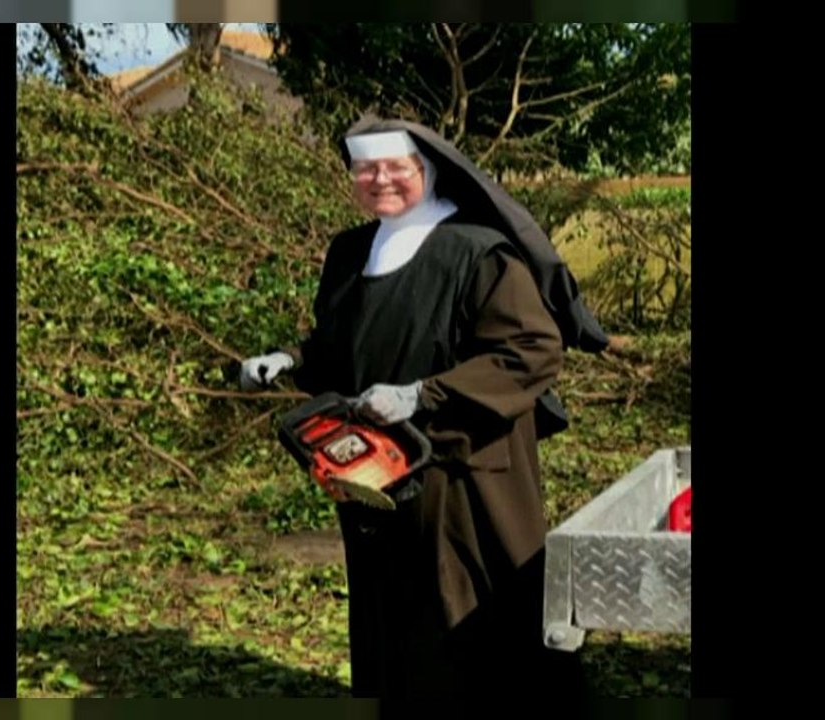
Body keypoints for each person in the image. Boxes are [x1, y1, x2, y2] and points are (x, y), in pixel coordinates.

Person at [239, 117, 609, 700]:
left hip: (465, 476)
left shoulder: (477, 251)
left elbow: (532, 350)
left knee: (472, 621)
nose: (379, 179)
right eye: (365, 169)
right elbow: (341, 346)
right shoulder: (350, 252)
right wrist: (289, 360)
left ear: (427, 170)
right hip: (377, 470)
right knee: (393, 613)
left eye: (395, 167)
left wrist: (420, 395)